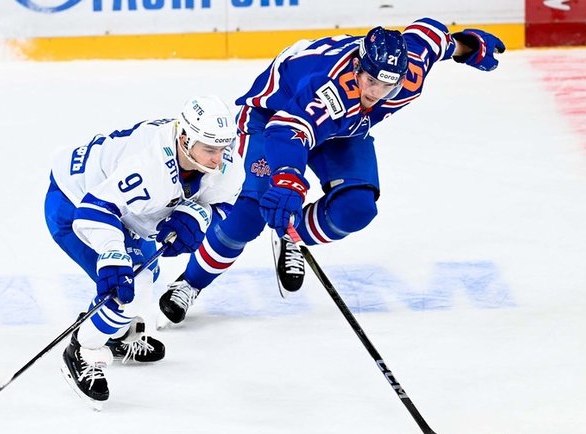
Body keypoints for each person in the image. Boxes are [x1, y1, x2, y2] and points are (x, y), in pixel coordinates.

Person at [158, 18, 505, 324]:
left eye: (388, 87)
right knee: (249, 215)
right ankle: (189, 283)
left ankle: (290, 234)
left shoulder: (409, 69)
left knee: (356, 208)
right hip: (272, 119)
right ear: (357, 67)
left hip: (342, 130)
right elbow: (288, 131)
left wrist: (468, 46)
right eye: (370, 82)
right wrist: (288, 181)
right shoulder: (330, 89)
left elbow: (431, 36)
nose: (376, 94)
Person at [44, 95, 243, 407]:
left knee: (147, 275)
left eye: (222, 147)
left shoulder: (221, 157)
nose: (218, 159)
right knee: (127, 289)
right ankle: (83, 350)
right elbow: (94, 211)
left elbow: (225, 201)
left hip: (127, 210)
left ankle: (117, 333)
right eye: (209, 149)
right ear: (185, 138)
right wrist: (113, 256)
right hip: (74, 201)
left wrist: (200, 215)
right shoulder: (148, 165)